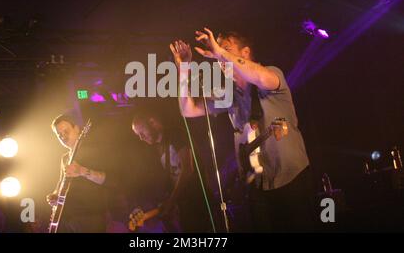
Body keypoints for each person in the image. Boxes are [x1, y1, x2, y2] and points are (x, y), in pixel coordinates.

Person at [170, 28, 314, 232]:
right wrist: (183, 68)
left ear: (245, 53)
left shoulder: (271, 73)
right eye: (218, 51)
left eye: (226, 49)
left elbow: (261, 78)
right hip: (257, 186)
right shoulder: (227, 93)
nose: (219, 56)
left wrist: (220, 53)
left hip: (292, 181)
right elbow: (188, 109)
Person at [131, 111, 212, 232]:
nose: (141, 138)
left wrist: (171, 201)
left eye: (142, 132)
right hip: (185, 207)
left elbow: (187, 169)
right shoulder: (158, 148)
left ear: (153, 122)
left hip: (199, 203)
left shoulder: (176, 134)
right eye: (138, 135)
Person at [46, 113, 112, 232]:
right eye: (59, 135)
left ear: (77, 129)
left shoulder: (94, 151)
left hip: (91, 216)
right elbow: (61, 185)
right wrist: (55, 196)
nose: (63, 137)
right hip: (69, 219)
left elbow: (107, 179)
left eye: (66, 131)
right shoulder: (65, 158)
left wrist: (81, 170)